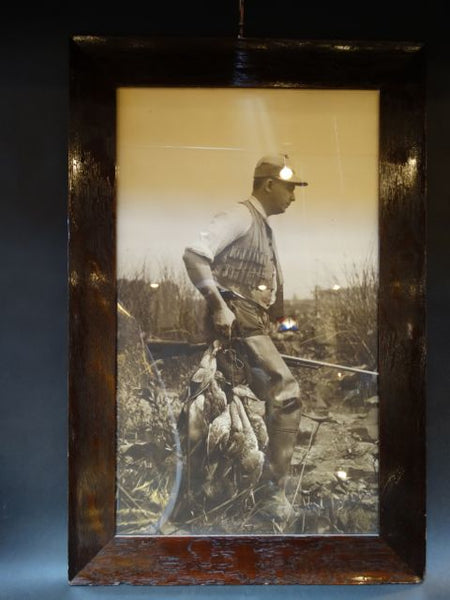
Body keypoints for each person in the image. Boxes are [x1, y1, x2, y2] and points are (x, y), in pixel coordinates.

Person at [182, 154, 308, 523]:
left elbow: (268, 293)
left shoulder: (265, 229)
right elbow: (194, 257)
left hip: (253, 324)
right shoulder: (238, 216)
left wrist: (284, 328)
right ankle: (273, 494)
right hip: (235, 326)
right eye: (290, 188)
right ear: (268, 184)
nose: (294, 197)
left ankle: (236, 488)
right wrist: (218, 306)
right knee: (286, 394)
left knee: (245, 409)